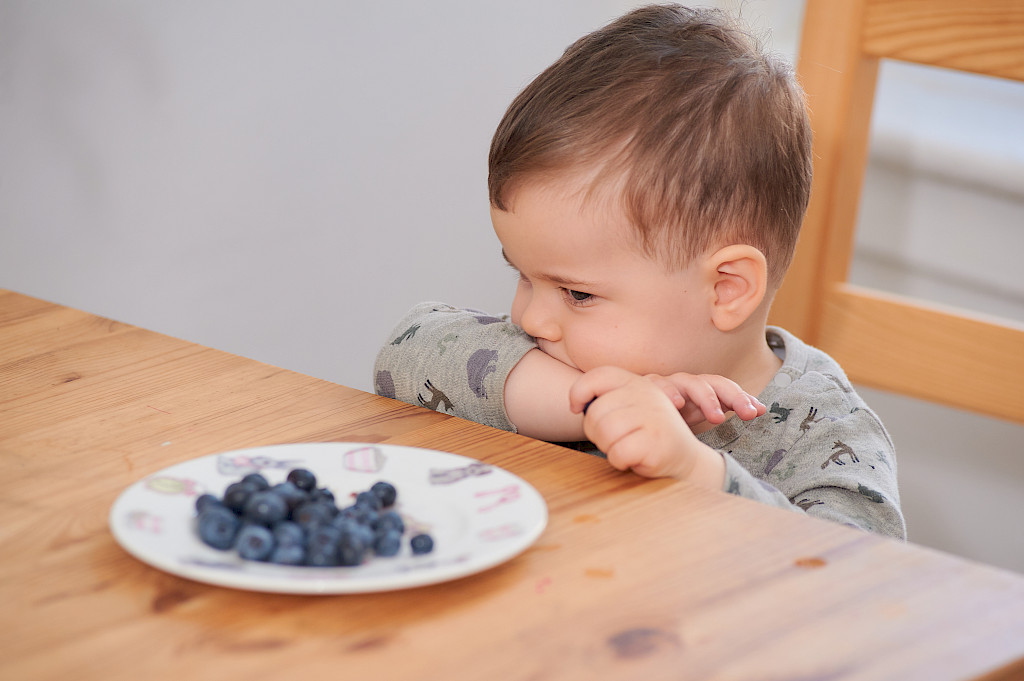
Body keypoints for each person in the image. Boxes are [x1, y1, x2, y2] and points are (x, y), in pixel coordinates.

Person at [373, 4, 905, 539]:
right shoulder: (566, 358)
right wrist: (586, 406)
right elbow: (407, 350)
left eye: (576, 293)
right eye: (523, 276)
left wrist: (700, 474)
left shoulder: (825, 431)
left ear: (726, 289)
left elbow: (866, 575)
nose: (532, 317)